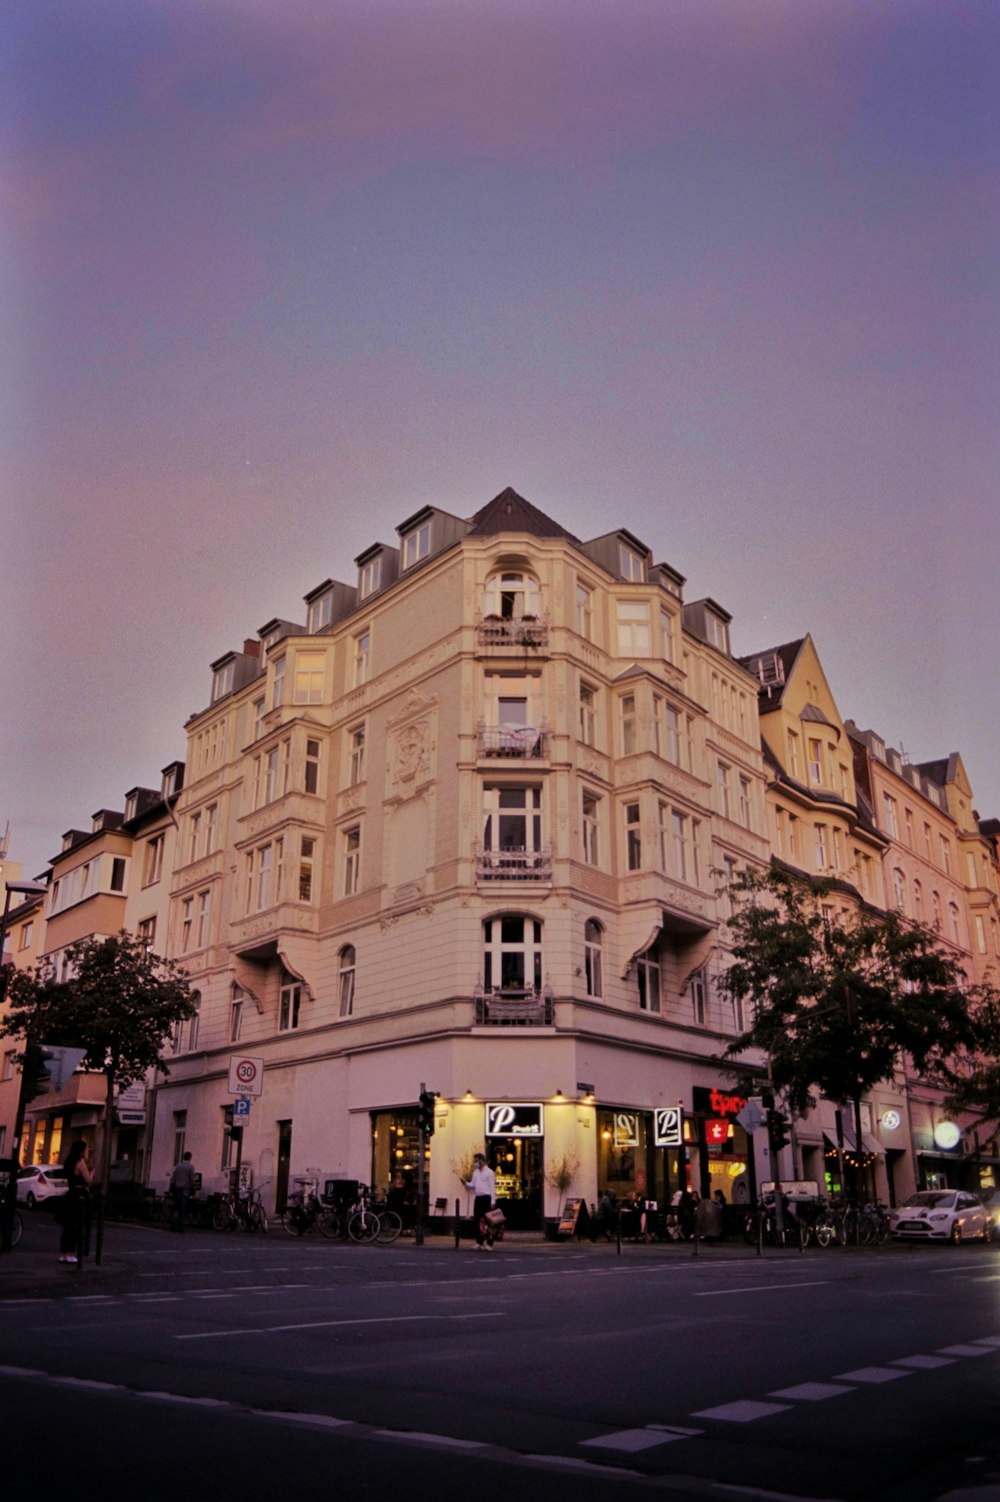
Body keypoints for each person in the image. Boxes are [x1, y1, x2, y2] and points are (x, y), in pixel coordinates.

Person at [58, 1139, 93, 1265]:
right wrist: (92, 1173)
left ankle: (62, 1254)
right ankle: (71, 1253)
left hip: (70, 1194)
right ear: (81, 1151)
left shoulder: (69, 1162)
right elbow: (88, 1180)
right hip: (79, 1196)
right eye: (85, 1149)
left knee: (67, 1226)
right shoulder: (80, 1163)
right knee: (77, 1225)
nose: (87, 1151)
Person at [463, 1152, 497, 1250]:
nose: (475, 1163)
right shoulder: (476, 1172)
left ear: (481, 1161)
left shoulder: (489, 1172)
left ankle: (489, 1243)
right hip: (478, 1198)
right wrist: (466, 1183)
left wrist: (493, 1201)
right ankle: (479, 1242)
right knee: (477, 1220)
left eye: (476, 1161)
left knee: (488, 1221)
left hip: (486, 1198)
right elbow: (473, 1185)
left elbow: (492, 1187)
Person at [168, 1151, 198, 1232]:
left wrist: (171, 1188)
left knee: (176, 1207)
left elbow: (173, 1179)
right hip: (185, 1189)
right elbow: (192, 1180)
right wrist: (194, 1190)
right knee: (183, 1208)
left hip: (177, 1188)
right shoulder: (190, 1167)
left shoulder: (178, 1166)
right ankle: (180, 1226)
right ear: (190, 1158)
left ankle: (173, 1224)